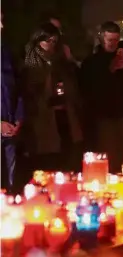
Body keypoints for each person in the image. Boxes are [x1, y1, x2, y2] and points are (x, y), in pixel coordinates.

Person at [81, 21, 123, 172]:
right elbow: (89, 88)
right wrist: (110, 71)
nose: (113, 43)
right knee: (109, 157)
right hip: (105, 118)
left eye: (116, 40)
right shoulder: (92, 62)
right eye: (110, 40)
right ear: (102, 38)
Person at [22, 22, 83, 172]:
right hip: (44, 122)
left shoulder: (61, 62)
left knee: (68, 159)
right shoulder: (31, 64)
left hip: (65, 117)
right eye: (47, 41)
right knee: (48, 163)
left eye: (54, 41)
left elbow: (74, 86)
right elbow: (30, 93)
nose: (50, 45)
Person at [1, 11, 24, 192]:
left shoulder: (6, 53)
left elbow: (18, 88)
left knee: (9, 187)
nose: (2, 27)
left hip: (9, 134)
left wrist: (19, 118)